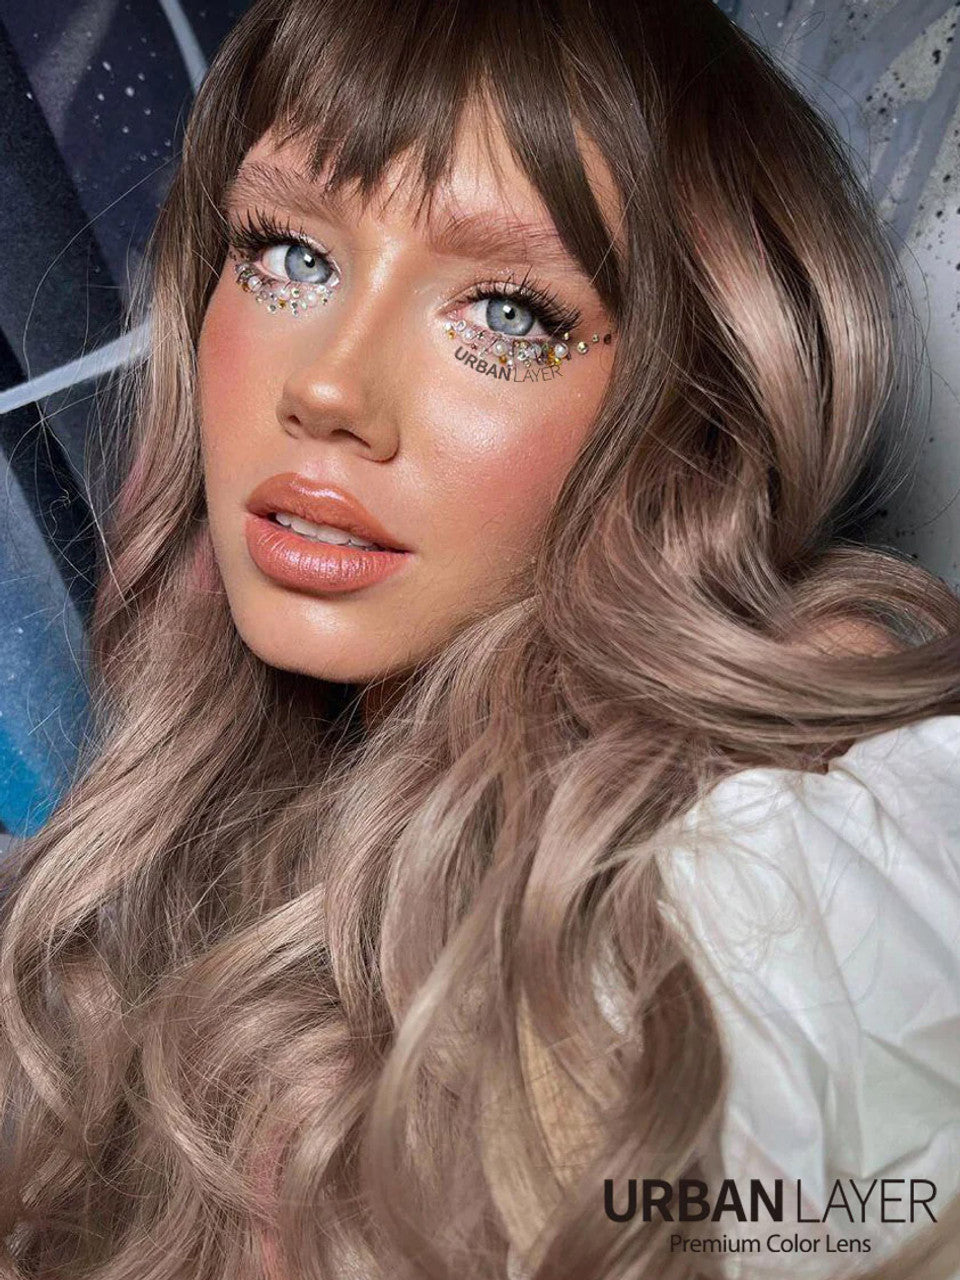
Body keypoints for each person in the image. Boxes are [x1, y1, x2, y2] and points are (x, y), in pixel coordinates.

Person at [0, 0, 958, 1277]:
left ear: (692, 413)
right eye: (289, 255)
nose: (327, 387)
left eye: (507, 314)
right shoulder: (183, 854)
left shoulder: (780, 882)